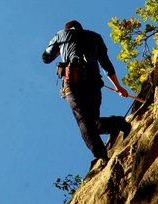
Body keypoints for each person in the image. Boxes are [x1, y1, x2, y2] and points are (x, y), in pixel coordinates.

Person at [42, 20, 130, 166]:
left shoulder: (61, 35)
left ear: (67, 29)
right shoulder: (95, 37)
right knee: (92, 123)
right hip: (93, 83)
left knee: (85, 123)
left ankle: (103, 157)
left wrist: (59, 50)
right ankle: (118, 123)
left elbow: (45, 58)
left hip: (73, 84)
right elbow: (106, 64)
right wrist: (118, 87)